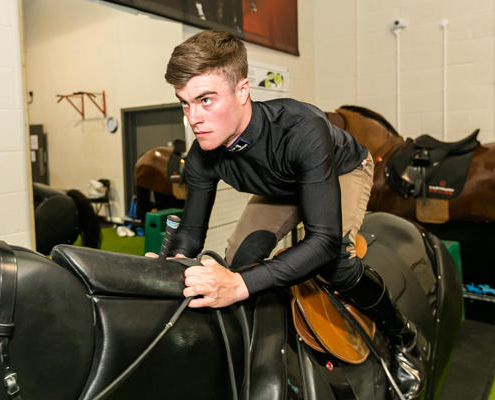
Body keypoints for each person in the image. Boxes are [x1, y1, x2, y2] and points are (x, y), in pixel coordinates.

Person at [156, 29, 425, 398]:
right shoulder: (202, 151)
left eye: (205, 100)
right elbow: (191, 233)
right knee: (240, 260)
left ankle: (403, 337)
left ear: (242, 90)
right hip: (280, 187)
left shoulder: (301, 128)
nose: (193, 118)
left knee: (335, 264)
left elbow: (323, 243)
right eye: (184, 103)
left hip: (341, 169)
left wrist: (238, 285)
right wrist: (170, 265)